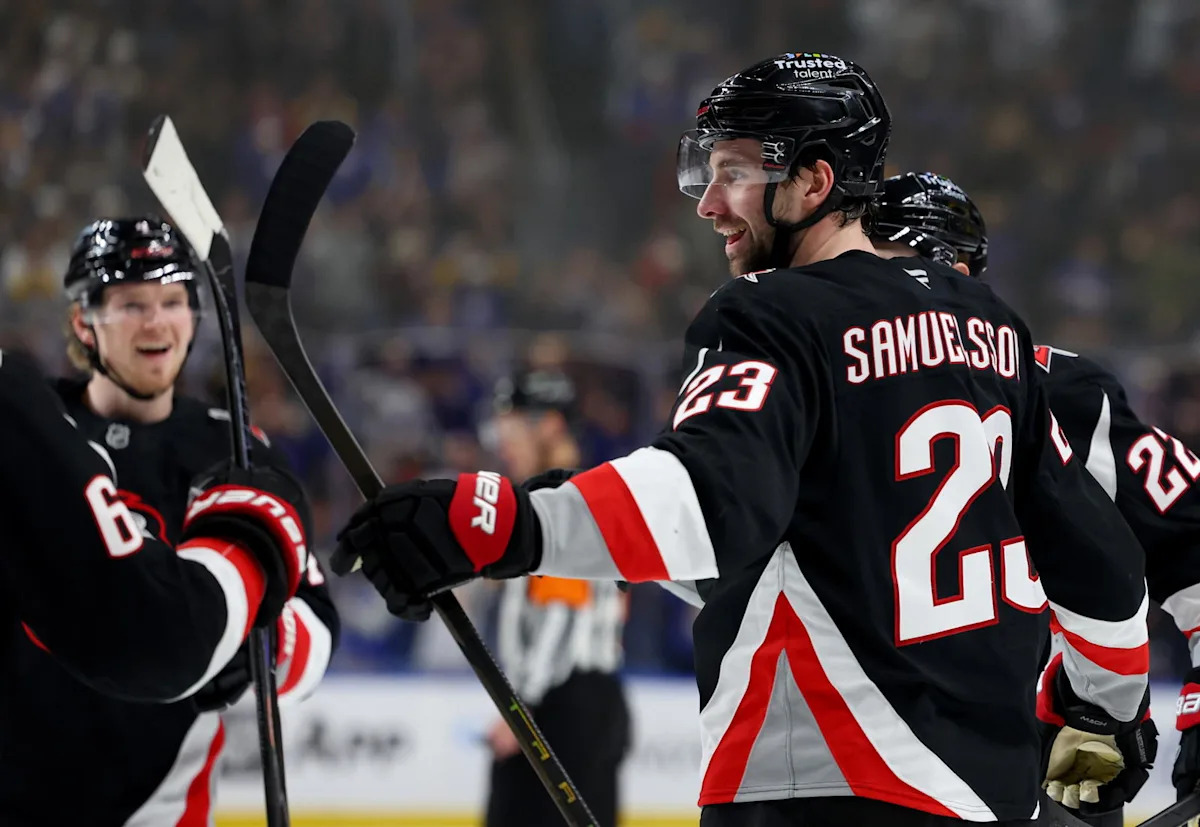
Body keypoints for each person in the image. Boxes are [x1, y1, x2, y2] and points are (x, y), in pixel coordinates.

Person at [333, 54, 1154, 826]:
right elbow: (1100, 566)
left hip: (826, 778)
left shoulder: (773, 311)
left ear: (814, 181)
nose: (708, 203)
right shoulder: (991, 329)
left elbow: (705, 502)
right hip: (991, 796)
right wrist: (1104, 716)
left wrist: (495, 523)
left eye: (734, 173)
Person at [874, 169, 1200, 819]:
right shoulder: (812, 385)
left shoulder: (1054, 390)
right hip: (859, 759)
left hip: (1048, 760)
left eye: (878, 265)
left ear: (955, 274)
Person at [0, 216, 340, 827]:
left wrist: (256, 643)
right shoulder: (32, 432)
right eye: (132, 304)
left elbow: (313, 633)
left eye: (173, 302)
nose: (156, 322)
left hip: (159, 811)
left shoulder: (236, 453)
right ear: (83, 321)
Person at [481, 367, 630, 827]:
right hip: (571, 704)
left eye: (512, 430)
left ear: (549, 425)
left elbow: (561, 616)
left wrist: (519, 711)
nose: (504, 445)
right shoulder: (571, 496)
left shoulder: (562, 500)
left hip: (563, 710)